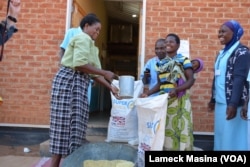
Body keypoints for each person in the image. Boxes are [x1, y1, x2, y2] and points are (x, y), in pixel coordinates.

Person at [49, 13, 120, 167]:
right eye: (96, 29)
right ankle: (55, 163)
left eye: (100, 30)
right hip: (68, 82)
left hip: (78, 83)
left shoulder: (91, 45)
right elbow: (79, 64)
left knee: (76, 125)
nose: (97, 33)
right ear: (86, 26)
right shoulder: (83, 38)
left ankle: (69, 162)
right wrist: (105, 73)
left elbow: (93, 73)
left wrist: (111, 87)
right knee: (63, 125)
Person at [140, 33, 195, 151]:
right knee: (166, 129)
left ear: (178, 45)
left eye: (171, 42)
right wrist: (147, 93)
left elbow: (191, 80)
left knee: (180, 129)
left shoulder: (183, 60)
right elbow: (160, 83)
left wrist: (177, 89)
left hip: (179, 102)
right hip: (164, 101)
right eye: (166, 42)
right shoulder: (161, 63)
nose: (168, 44)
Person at [208, 20, 250, 150]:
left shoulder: (242, 52)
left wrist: (232, 104)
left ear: (235, 33)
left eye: (224, 31)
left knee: (233, 138)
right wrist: (213, 99)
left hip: (233, 104)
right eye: (219, 31)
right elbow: (217, 77)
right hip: (221, 102)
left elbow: (240, 79)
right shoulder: (222, 53)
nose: (220, 34)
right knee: (221, 136)